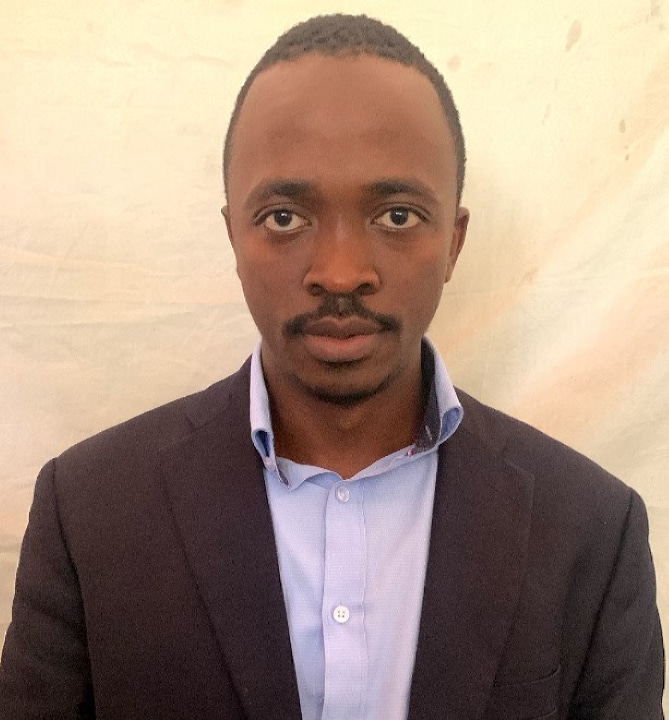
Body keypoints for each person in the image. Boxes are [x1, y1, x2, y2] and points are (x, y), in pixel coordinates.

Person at [0, 13, 664, 720]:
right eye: (285, 217)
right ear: (234, 236)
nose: (341, 273)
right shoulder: (89, 513)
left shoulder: (591, 530)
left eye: (397, 216)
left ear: (453, 241)